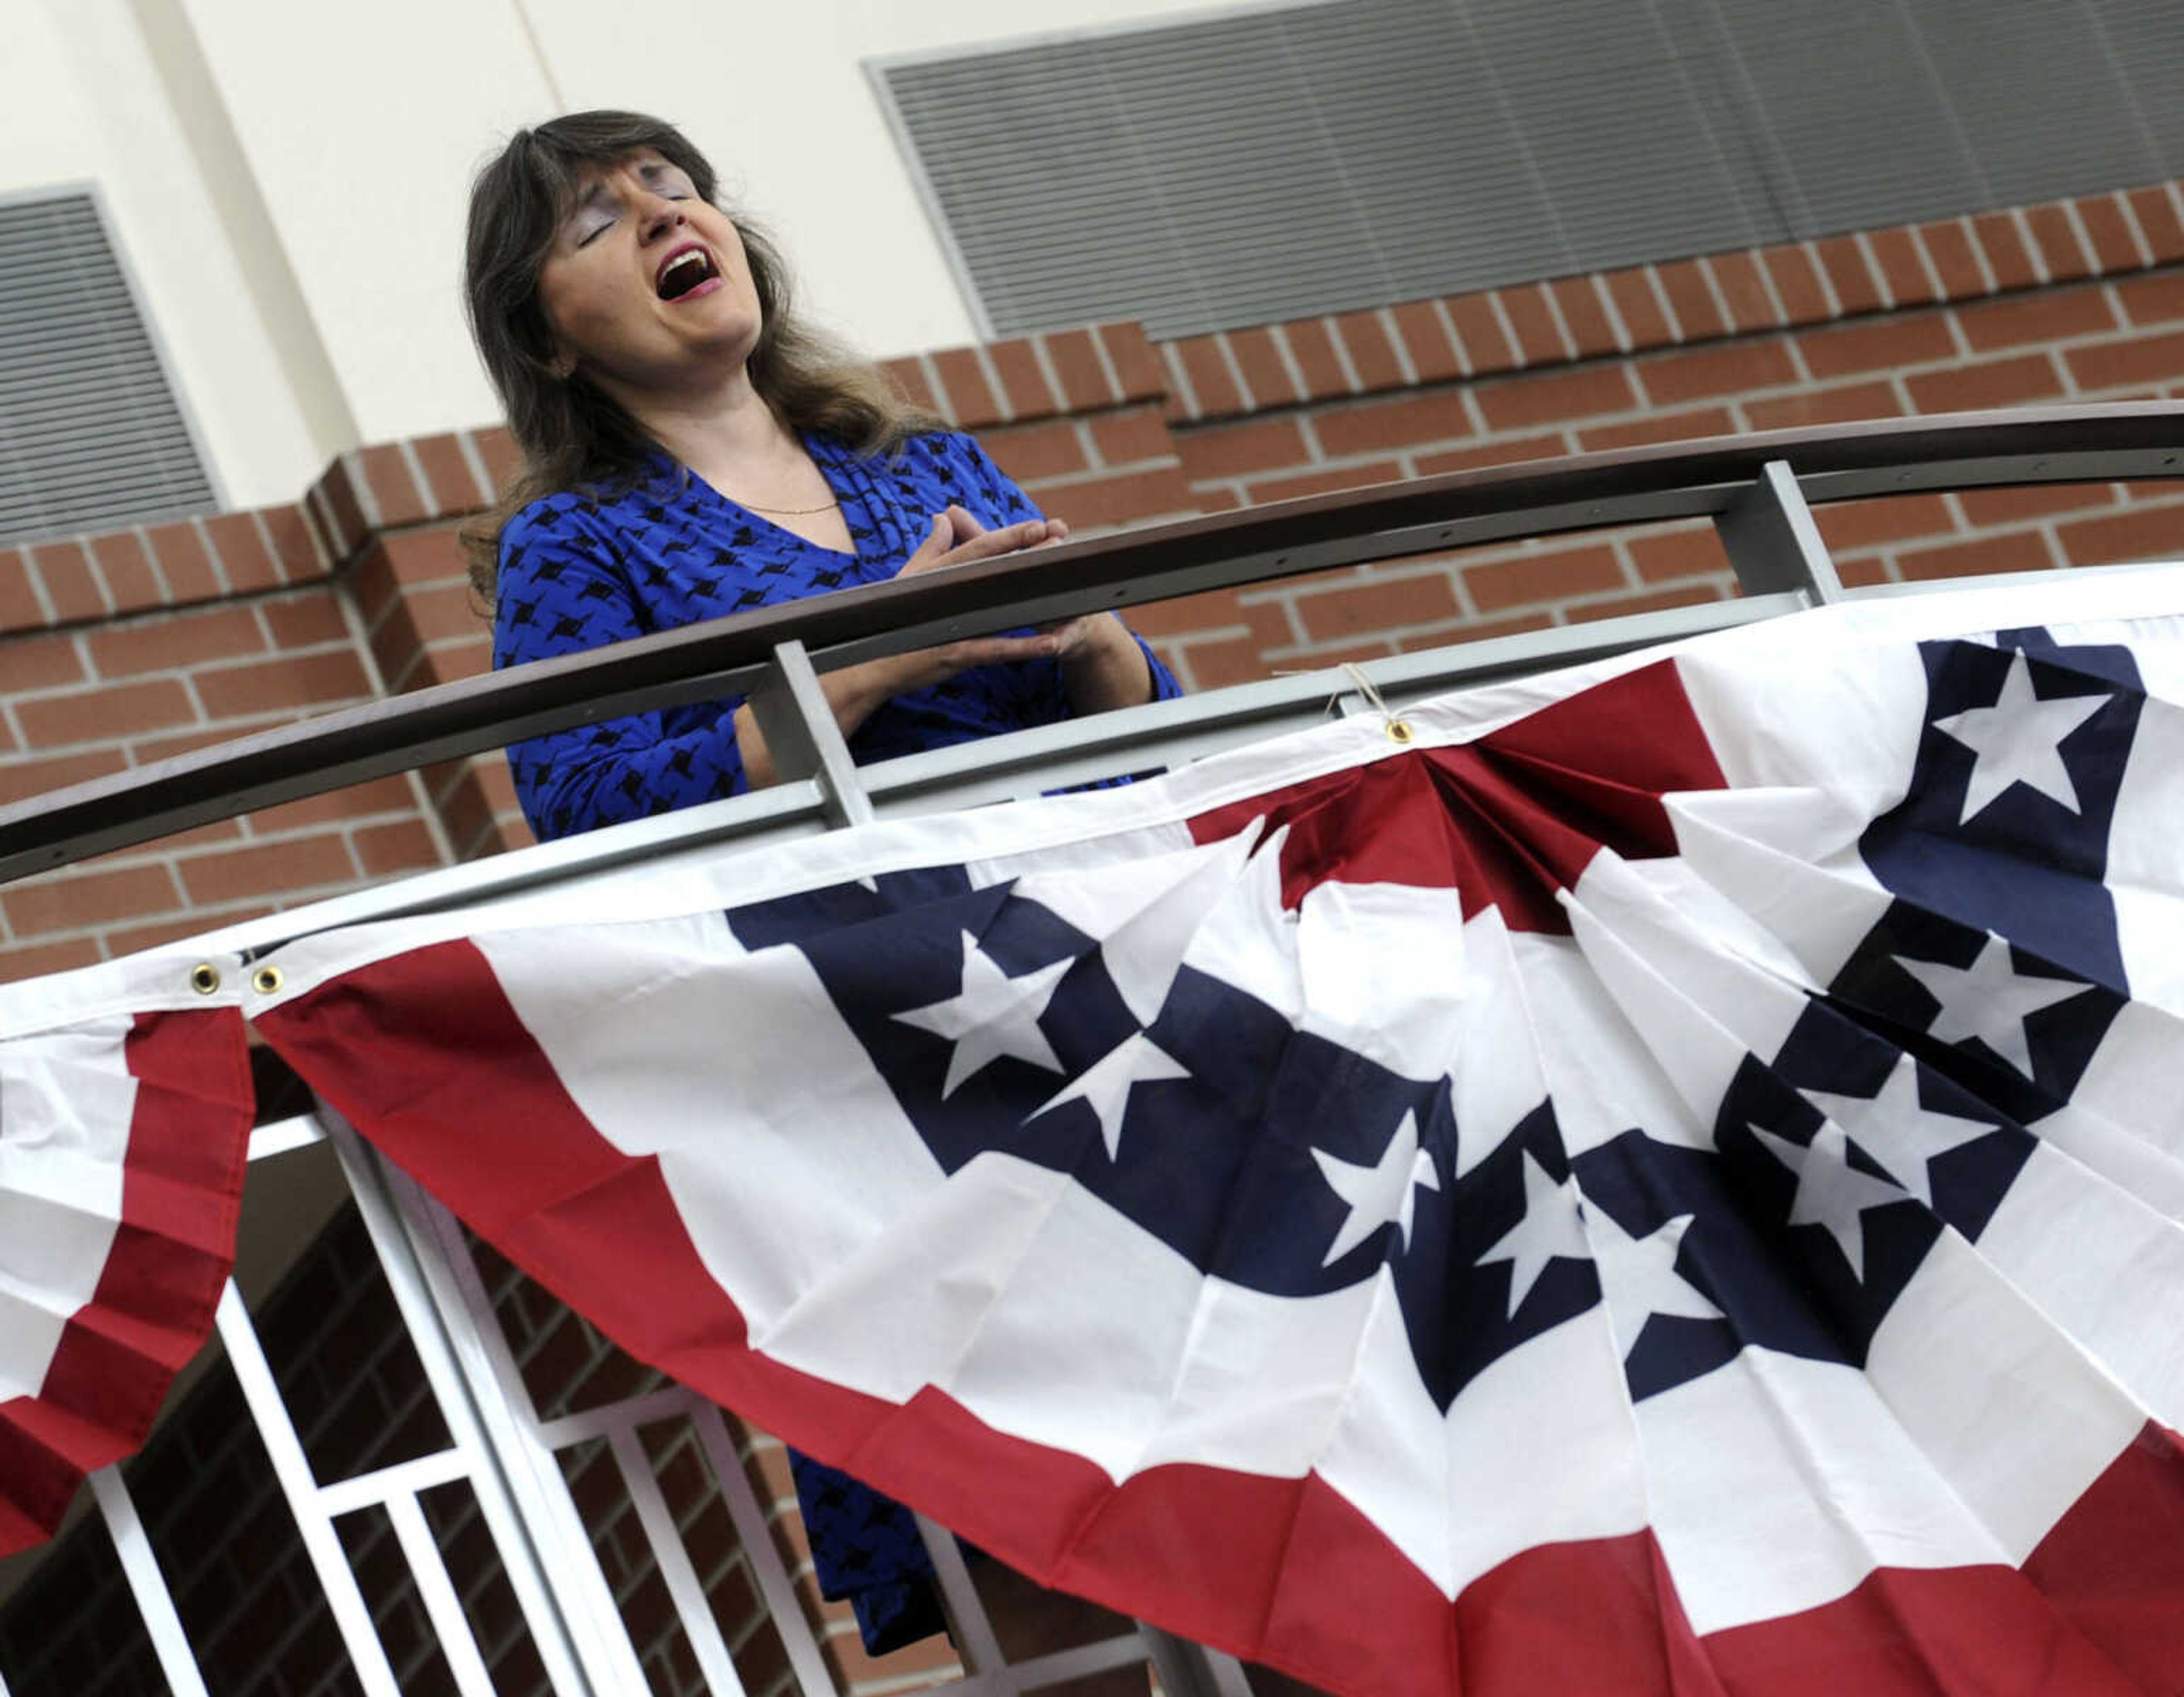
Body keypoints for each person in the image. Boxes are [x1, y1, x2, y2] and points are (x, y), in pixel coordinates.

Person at [459, 110, 1180, 1661]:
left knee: (1238, 1434)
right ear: (554, 341)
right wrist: (881, 653)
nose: (660, 211)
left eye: (670, 184)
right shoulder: (572, 545)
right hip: (882, 1069)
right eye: (596, 217)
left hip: (1101, 1001)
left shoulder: (920, 463)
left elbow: (1143, 744)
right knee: (1017, 1489)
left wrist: (1106, 645)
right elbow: (592, 810)